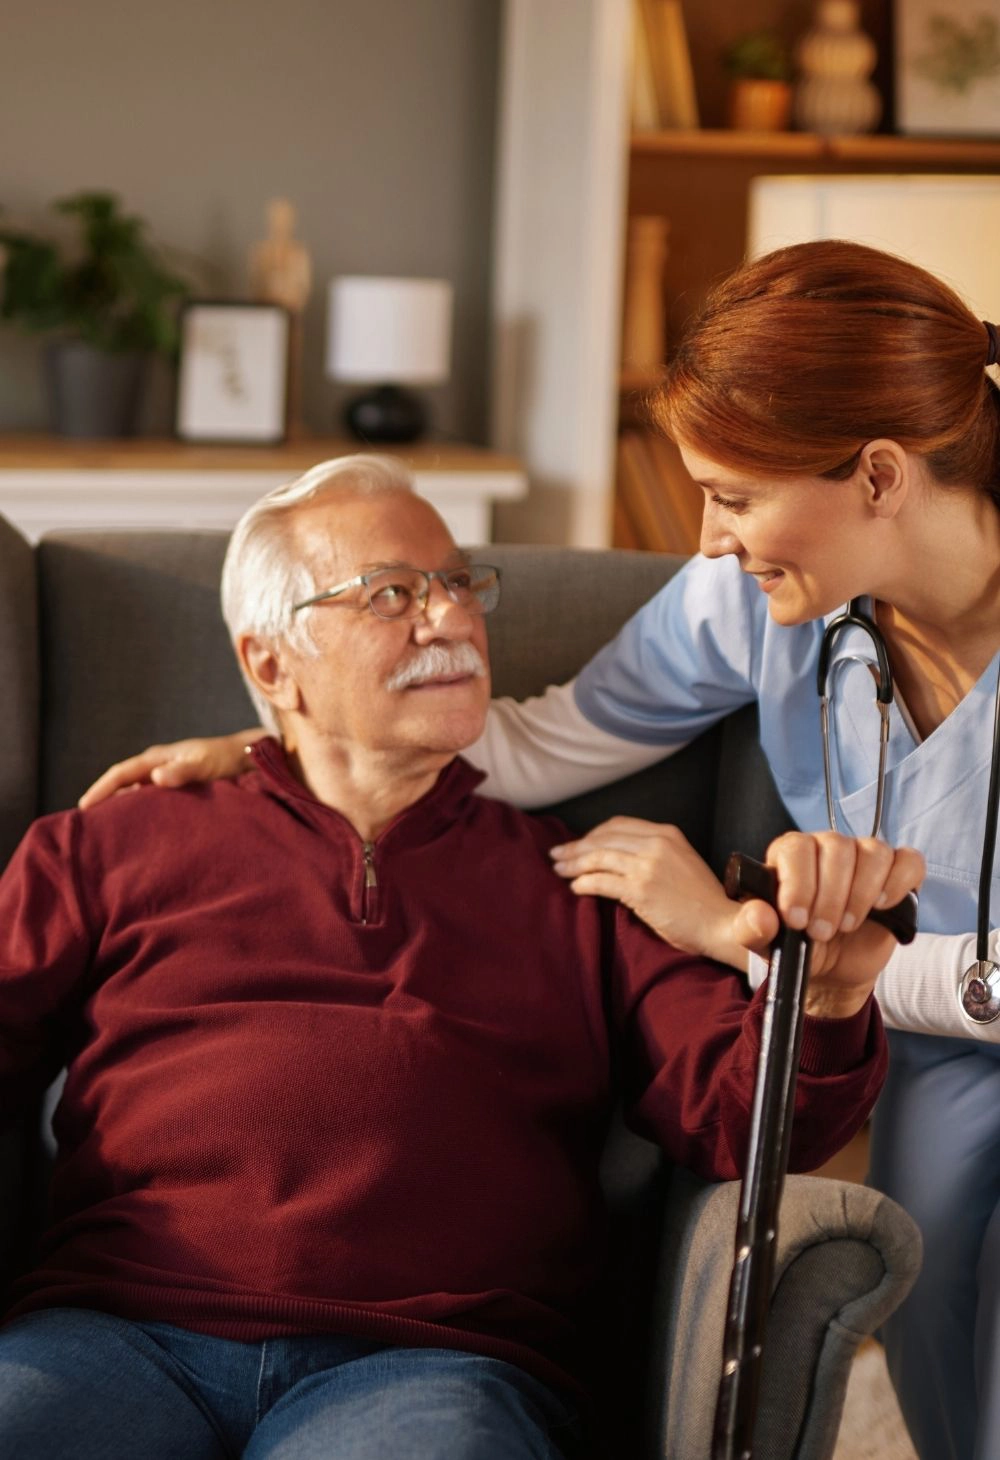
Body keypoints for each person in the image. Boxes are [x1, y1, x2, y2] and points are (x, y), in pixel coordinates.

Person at [85, 241, 1000, 1460]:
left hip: (936, 998)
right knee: (957, 1370)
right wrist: (286, 737)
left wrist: (732, 933)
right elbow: (532, 743)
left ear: (879, 474)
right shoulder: (754, 599)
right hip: (936, 1046)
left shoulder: (585, 899)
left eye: (731, 493)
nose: (710, 536)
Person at [0, 453, 918, 1460]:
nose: (449, 620)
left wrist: (826, 994)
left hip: (426, 1364)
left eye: (455, 583)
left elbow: (741, 1117)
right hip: (116, 1334)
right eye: (391, 592)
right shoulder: (108, 839)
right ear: (271, 664)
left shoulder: (582, 878)